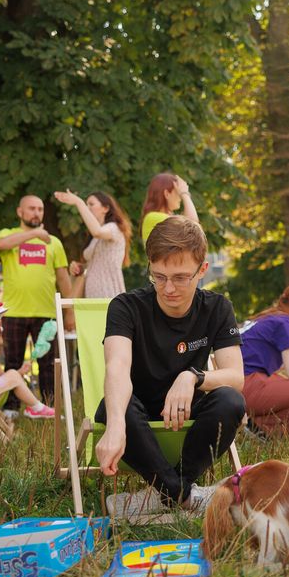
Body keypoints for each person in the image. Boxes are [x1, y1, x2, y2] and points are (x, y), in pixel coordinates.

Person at [96, 216, 245, 515]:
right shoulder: (125, 307)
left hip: (187, 415)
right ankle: (185, 496)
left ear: (202, 269)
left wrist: (192, 377)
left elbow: (235, 376)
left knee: (231, 400)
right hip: (137, 418)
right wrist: (115, 425)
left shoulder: (217, 307)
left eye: (180, 277)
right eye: (159, 277)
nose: (168, 288)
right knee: (116, 407)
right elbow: (117, 366)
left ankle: (162, 495)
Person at [0, 195, 73, 408]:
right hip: (13, 312)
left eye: (40, 209)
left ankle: (49, 409)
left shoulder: (54, 242)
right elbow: (1, 244)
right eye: (31, 208)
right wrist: (35, 234)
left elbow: (63, 278)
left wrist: (69, 311)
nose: (36, 213)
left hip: (46, 313)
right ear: (20, 212)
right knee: (13, 363)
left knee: (48, 365)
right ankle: (11, 408)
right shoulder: (7, 234)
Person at [239, 281, 289, 436]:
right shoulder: (286, 322)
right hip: (248, 385)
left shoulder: (270, 317)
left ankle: (257, 426)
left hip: (238, 384)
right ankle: (264, 427)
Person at [53, 189, 131, 298]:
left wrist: (79, 202)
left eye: (91, 204)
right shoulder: (93, 238)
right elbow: (95, 267)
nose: (87, 208)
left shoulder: (114, 228)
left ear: (106, 208)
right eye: (86, 204)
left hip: (110, 294)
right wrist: (79, 268)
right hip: (91, 295)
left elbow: (97, 231)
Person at [140, 172, 198, 244]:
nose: (180, 197)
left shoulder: (164, 218)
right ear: (167, 194)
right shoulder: (153, 217)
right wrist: (184, 193)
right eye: (177, 192)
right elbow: (193, 226)